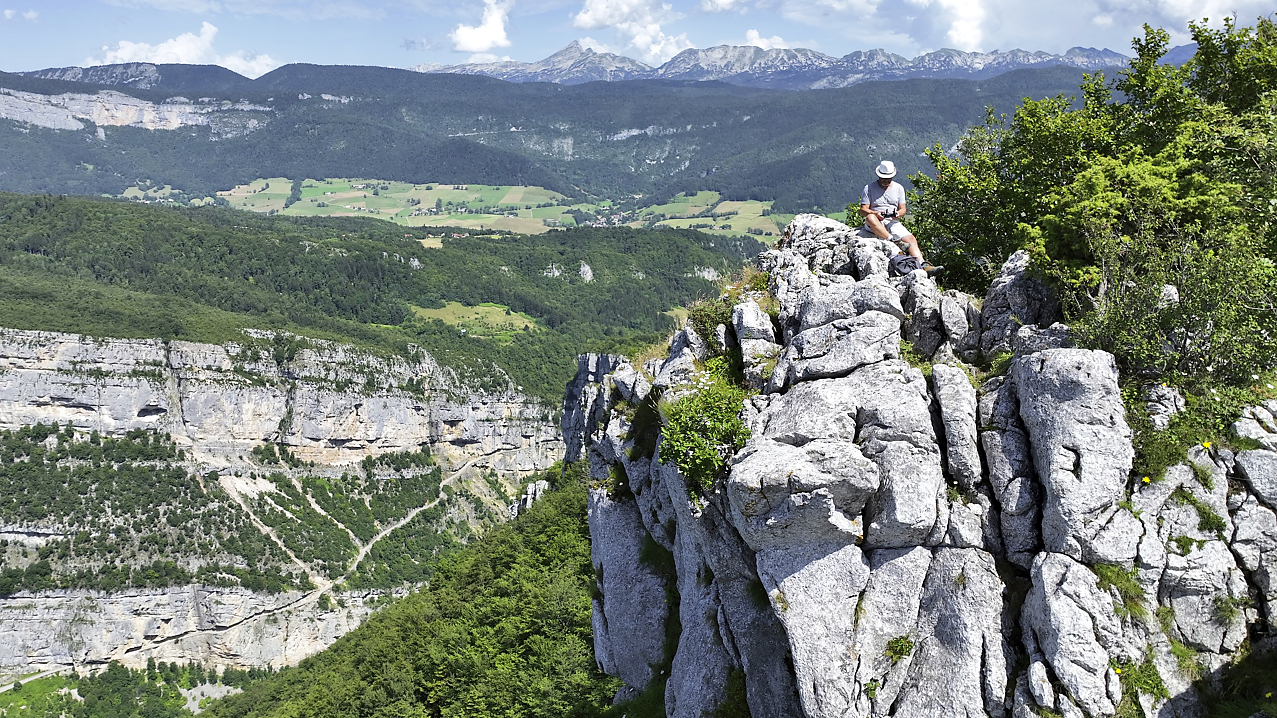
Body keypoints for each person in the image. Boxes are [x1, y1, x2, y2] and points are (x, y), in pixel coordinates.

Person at [860, 160, 943, 277]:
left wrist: (897, 214)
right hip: (876, 221)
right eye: (883, 178)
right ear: (878, 175)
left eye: (888, 178)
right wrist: (875, 212)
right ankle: (894, 241)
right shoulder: (869, 188)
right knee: (870, 217)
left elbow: (903, 209)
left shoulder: (898, 188)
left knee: (911, 238)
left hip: (892, 221)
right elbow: (863, 210)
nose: (886, 180)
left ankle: (923, 264)